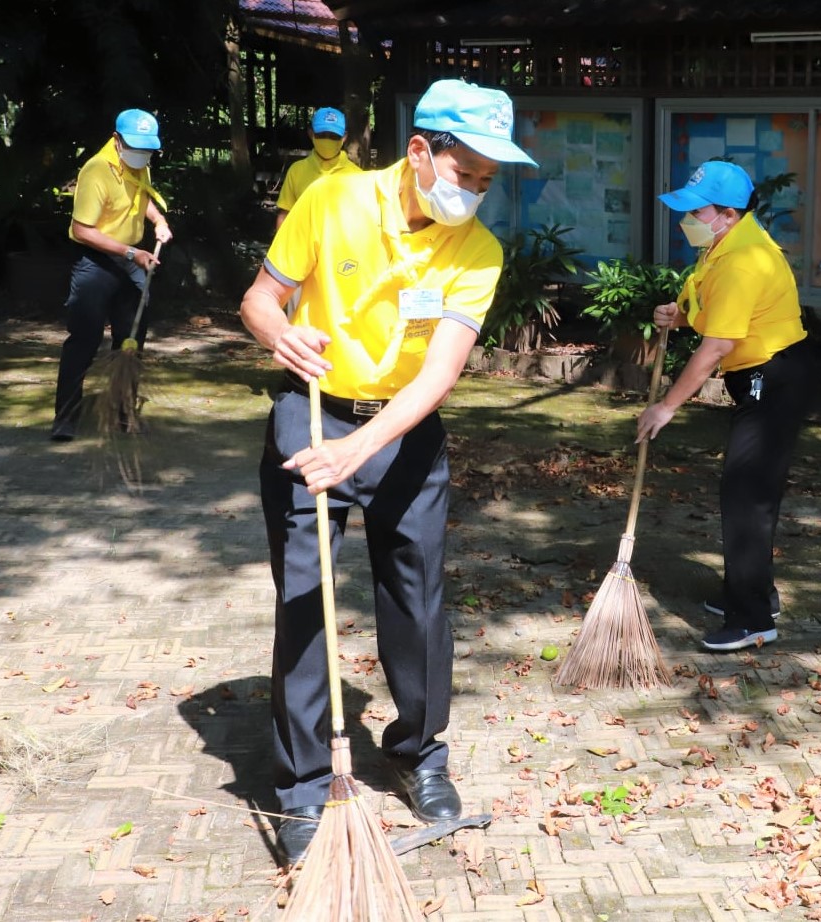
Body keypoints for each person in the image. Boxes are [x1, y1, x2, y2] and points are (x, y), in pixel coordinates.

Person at [238, 78, 537, 865]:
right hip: (312, 413)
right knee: (306, 596)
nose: (472, 191)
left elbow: (438, 374)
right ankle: (303, 787)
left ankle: (418, 752)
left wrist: (359, 451)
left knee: (416, 595)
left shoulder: (477, 250)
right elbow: (260, 300)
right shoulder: (331, 202)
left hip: (400, 431)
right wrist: (279, 336)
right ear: (418, 152)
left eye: (485, 181)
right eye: (463, 171)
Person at [635, 161, 819, 653]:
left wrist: (667, 407)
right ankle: (755, 591)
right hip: (761, 376)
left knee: (746, 494)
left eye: (696, 211)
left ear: (728, 214)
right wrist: (679, 313)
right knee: (749, 490)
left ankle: (753, 617)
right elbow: (709, 306)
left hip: (771, 380)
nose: (686, 219)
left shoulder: (744, 259)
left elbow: (716, 346)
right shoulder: (724, 246)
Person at [50, 109, 173, 442]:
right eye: (135, 146)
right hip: (97, 261)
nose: (142, 154)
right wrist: (132, 253)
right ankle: (65, 419)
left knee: (131, 341)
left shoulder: (137, 163)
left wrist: (158, 221)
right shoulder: (96, 170)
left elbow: (140, 194)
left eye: (147, 149)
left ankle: (123, 413)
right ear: (117, 140)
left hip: (129, 259)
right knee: (84, 339)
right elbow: (82, 229)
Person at [273, 106, 361, 230]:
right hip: (304, 248)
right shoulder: (296, 171)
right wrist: (281, 247)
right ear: (311, 133)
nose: (327, 139)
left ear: (344, 137)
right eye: (322, 135)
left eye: (333, 136)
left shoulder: (357, 176)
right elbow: (285, 215)